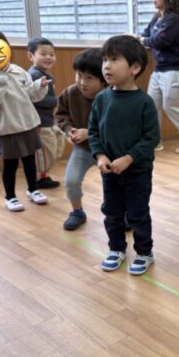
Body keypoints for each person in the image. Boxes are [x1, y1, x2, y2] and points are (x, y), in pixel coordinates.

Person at [88, 35, 160, 276]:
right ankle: (116, 249)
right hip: (109, 172)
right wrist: (100, 156)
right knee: (112, 212)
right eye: (105, 60)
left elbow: (151, 138)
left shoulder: (144, 102)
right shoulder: (101, 98)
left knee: (138, 214)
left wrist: (128, 158)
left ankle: (144, 252)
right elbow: (93, 131)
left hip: (137, 172)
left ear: (134, 68)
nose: (106, 66)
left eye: (114, 60)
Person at [0, 29, 50, 211]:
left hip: (27, 124)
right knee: (10, 164)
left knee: (30, 160)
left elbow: (31, 94)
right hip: (6, 127)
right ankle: (10, 197)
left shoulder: (18, 71)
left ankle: (33, 189)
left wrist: (38, 86)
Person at [55, 48, 107, 231]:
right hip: (83, 149)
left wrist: (90, 133)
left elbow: (114, 127)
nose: (82, 82)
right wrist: (68, 129)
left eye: (89, 78)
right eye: (79, 75)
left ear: (103, 79)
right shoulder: (70, 93)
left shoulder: (110, 97)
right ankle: (77, 212)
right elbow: (61, 115)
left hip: (108, 149)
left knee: (114, 185)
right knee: (71, 181)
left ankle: (118, 213)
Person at [138, 0, 179, 151]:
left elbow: (160, 40)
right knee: (152, 106)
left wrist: (142, 40)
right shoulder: (156, 18)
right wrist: (137, 38)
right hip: (159, 69)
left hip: (174, 69)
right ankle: (154, 141)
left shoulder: (173, 18)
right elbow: (146, 35)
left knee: (171, 106)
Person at [27, 37, 65, 189]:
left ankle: (43, 174)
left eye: (51, 54)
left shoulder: (46, 75)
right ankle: (40, 178)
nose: (48, 57)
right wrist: (57, 100)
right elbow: (36, 98)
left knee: (57, 143)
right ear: (31, 56)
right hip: (39, 122)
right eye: (43, 54)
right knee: (44, 151)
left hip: (48, 120)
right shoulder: (35, 75)